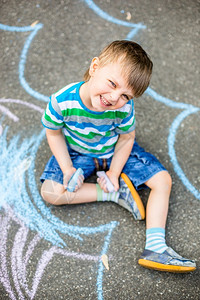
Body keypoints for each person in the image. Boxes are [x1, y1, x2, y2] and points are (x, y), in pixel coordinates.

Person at [40, 40, 196, 273]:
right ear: (95, 67)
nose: (114, 98)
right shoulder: (61, 101)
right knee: (50, 192)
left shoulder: (123, 109)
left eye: (126, 95)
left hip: (114, 149)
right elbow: (53, 133)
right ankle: (113, 194)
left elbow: (126, 138)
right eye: (112, 84)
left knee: (163, 181)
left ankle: (156, 247)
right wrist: (67, 169)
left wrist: (114, 172)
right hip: (77, 151)